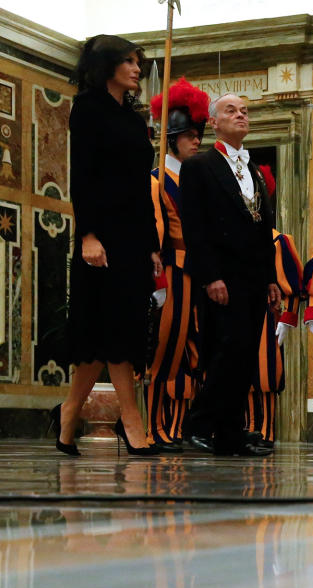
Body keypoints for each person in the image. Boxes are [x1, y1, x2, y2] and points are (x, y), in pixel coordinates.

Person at [55, 35, 163, 457]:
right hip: (99, 237)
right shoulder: (87, 109)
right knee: (109, 328)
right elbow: (80, 176)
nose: (137, 69)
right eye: (129, 62)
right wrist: (88, 235)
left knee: (108, 333)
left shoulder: (136, 122)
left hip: (133, 237)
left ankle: (68, 412)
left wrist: (152, 243)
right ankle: (131, 421)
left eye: (138, 62)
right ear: (108, 66)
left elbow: (141, 187)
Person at [179, 93, 280, 456]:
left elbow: (264, 228)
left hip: (254, 276)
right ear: (213, 122)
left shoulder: (253, 170)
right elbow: (196, 227)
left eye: (245, 111)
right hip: (222, 276)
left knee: (243, 357)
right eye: (231, 111)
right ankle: (198, 424)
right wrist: (210, 277)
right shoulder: (199, 166)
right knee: (226, 353)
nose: (241, 115)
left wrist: (271, 278)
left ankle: (230, 435)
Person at [144, 77, 209, 453]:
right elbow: (153, 233)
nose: (196, 139)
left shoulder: (196, 179)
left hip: (196, 271)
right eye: (188, 134)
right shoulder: (156, 181)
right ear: (171, 139)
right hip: (171, 269)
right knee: (165, 351)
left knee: (191, 354)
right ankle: (153, 427)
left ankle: (175, 426)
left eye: (197, 133)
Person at [245, 167, 305, 449]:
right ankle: (247, 427)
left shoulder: (280, 240)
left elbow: (295, 283)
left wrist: (287, 320)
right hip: (241, 314)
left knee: (267, 375)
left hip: (269, 318)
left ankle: (267, 431)